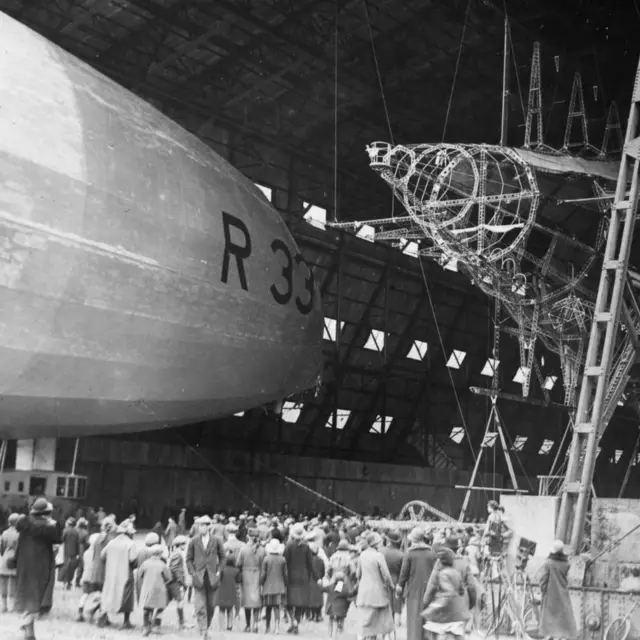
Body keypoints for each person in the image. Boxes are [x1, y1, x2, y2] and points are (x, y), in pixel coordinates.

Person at [14, 498, 60, 640]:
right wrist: (50, 522)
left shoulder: (23, 523)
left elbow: (20, 523)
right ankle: (24, 626)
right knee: (36, 601)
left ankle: (29, 634)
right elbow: (57, 539)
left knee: (27, 598)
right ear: (47, 513)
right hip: (41, 567)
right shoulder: (50, 528)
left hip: (23, 565)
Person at [186, 515, 225, 640]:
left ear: (209, 527)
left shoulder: (217, 540)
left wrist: (219, 570)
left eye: (203, 525)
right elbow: (188, 559)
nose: (201, 528)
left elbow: (223, 557)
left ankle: (205, 628)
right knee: (200, 606)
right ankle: (203, 631)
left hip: (213, 578)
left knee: (211, 606)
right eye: (199, 525)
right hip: (199, 578)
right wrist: (192, 572)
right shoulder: (193, 541)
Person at [422, 547, 471, 640]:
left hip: (446, 615)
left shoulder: (443, 574)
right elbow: (461, 591)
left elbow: (448, 593)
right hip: (458, 613)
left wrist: (433, 606)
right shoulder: (456, 573)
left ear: (441, 562)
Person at [398, 527, 438, 640]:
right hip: (430, 590)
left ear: (414, 539)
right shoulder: (431, 553)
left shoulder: (409, 553)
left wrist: (399, 586)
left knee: (414, 617)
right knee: (428, 617)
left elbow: (403, 574)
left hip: (414, 590)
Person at [97, 520, 137, 630]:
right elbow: (133, 560)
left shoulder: (112, 542)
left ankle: (103, 617)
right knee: (127, 597)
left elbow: (102, 556)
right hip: (126, 574)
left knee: (109, 594)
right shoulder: (131, 543)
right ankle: (126, 621)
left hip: (111, 573)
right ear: (129, 533)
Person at [356, 532, 395, 638]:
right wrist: (391, 586)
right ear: (375, 543)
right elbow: (386, 575)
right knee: (378, 623)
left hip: (364, 593)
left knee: (365, 622)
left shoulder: (362, 555)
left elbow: (358, 574)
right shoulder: (379, 556)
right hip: (378, 594)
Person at [539, 540, 577, 640]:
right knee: (562, 616)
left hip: (551, 593)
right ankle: (561, 636)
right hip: (563, 593)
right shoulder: (566, 564)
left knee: (549, 617)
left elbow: (543, 579)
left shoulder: (548, 563)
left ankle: (550, 635)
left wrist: (542, 591)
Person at [284, 523, 317, 634]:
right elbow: (311, 564)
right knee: (299, 603)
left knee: (289, 602)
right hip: (303, 577)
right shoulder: (307, 548)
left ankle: (293, 622)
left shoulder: (288, 546)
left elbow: (285, 563)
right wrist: (317, 577)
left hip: (291, 577)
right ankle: (296, 623)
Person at [137, 545, 172, 637]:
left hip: (147, 589)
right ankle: (156, 626)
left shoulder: (145, 563)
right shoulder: (162, 564)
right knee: (160, 608)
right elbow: (169, 577)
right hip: (159, 590)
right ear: (160, 554)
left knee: (146, 608)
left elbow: (140, 575)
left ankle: (145, 627)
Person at [237, 527, 266, 632]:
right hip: (258, 576)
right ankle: (256, 625)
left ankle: (248, 625)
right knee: (257, 602)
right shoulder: (262, 550)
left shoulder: (243, 549)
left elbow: (238, 564)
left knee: (247, 602)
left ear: (248, 536)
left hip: (246, 576)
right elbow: (265, 566)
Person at [261, 538, 288, 633]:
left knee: (268, 608)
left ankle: (267, 627)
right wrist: (286, 584)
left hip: (268, 586)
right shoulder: (283, 559)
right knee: (277, 607)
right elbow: (285, 574)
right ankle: (277, 627)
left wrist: (261, 582)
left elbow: (263, 574)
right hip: (279, 586)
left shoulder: (266, 559)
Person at [382, 529, 405, 626]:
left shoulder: (381, 551)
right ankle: (395, 623)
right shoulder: (401, 554)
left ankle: (385, 622)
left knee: (385, 601)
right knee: (397, 603)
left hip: (382, 580)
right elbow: (403, 572)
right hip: (396, 580)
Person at [168, 535, 189, 629]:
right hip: (175, 582)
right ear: (180, 544)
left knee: (166, 602)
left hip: (174, 581)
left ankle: (154, 621)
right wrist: (182, 582)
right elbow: (174, 569)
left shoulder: (175, 553)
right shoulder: (177, 554)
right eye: (184, 544)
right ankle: (181, 624)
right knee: (180, 602)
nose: (185, 546)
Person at [0, 513, 20, 612]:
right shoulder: (20, 534)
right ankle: (12, 606)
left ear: (9, 522)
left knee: (3, 583)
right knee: (13, 584)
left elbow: (1, 548)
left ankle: (4, 606)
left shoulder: (4, 533)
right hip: (15, 560)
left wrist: (4, 554)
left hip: (5, 560)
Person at [217, 553, 240, 631]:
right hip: (232, 590)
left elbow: (219, 579)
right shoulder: (236, 570)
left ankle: (221, 627)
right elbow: (238, 581)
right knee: (230, 609)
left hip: (222, 590)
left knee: (221, 609)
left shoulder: (222, 569)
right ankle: (229, 625)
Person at [58, 517, 81, 590]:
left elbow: (61, 540)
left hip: (66, 552)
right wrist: (77, 553)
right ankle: (69, 582)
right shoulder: (76, 532)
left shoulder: (65, 530)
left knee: (65, 567)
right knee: (72, 569)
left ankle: (64, 582)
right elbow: (78, 544)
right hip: (74, 553)